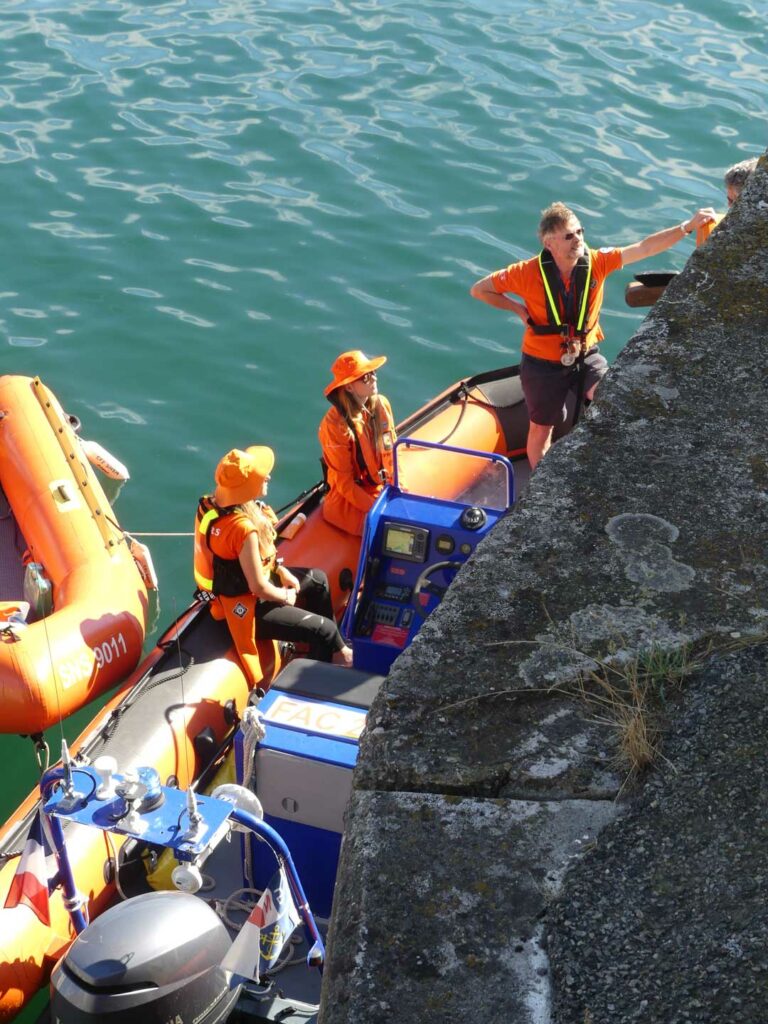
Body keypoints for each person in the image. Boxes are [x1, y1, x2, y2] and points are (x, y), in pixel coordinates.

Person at [470, 201, 717, 469]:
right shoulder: (525, 273)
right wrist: (517, 309)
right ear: (549, 243)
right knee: (541, 430)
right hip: (542, 363)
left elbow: (644, 247)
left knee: (613, 394)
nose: (578, 239)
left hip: (585, 355)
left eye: (580, 231)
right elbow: (480, 290)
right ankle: (540, 486)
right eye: (569, 235)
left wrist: (687, 227)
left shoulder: (597, 262)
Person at [194, 446, 353, 679]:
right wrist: (284, 596)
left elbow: (253, 561)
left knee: (318, 580)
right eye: (261, 475)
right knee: (324, 629)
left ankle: (334, 650)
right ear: (246, 487)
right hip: (242, 605)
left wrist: (279, 569)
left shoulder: (213, 506)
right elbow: (258, 587)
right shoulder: (241, 530)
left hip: (244, 585)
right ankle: (318, 679)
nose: (268, 476)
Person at [318, 349, 396, 536]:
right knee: (389, 532)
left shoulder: (381, 404)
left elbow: (391, 452)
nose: (374, 378)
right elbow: (345, 484)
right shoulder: (334, 425)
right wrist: (379, 510)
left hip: (380, 487)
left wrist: (398, 489)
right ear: (349, 387)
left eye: (373, 373)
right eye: (365, 377)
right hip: (350, 502)